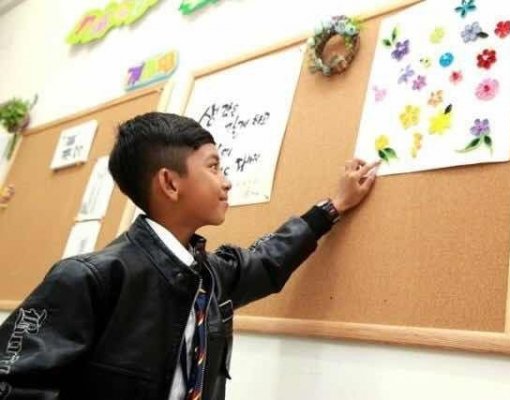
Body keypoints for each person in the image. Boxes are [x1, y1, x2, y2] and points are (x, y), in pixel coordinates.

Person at [0, 112, 379, 400]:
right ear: (169, 182)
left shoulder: (207, 276)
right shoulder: (90, 279)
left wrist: (334, 206)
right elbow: (14, 384)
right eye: (213, 166)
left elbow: (267, 260)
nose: (227, 180)